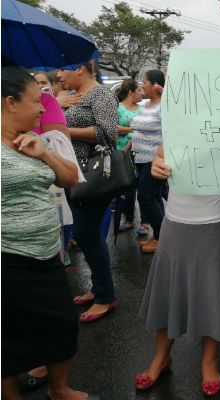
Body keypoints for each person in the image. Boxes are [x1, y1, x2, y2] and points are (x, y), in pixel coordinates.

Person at [1, 66, 97, 400]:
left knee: (62, 324)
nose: (44, 108)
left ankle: (59, 390)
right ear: (11, 103)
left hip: (46, 253)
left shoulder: (38, 139)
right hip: (7, 259)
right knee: (8, 335)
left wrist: (44, 154)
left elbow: (71, 178)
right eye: (35, 101)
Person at [135, 145, 220, 396]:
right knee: (169, 291)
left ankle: (209, 360)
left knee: (212, 295)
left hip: (219, 222)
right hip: (176, 219)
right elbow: (162, 153)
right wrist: (157, 164)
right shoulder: (179, 117)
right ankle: (161, 356)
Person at [58, 60, 119, 322]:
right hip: (74, 174)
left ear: (81, 68)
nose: (59, 75)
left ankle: (106, 296)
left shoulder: (101, 94)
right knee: (86, 235)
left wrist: (63, 131)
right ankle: (98, 288)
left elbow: (109, 134)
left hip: (94, 177)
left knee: (87, 235)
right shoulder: (70, 96)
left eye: (63, 69)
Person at [130, 70, 165, 253]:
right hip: (140, 158)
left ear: (155, 85)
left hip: (154, 159)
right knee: (153, 196)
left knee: (145, 196)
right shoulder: (146, 105)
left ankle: (162, 238)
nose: (142, 85)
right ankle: (159, 236)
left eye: (144, 82)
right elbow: (136, 130)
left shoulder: (164, 106)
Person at [115, 79, 144, 231]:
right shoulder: (118, 108)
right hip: (122, 152)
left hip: (141, 151)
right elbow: (114, 128)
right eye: (139, 90)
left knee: (143, 189)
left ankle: (145, 223)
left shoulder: (142, 108)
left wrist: (129, 128)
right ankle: (129, 219)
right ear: (131, 92)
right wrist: (134, 129)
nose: (142, 93)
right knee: (127, 187)